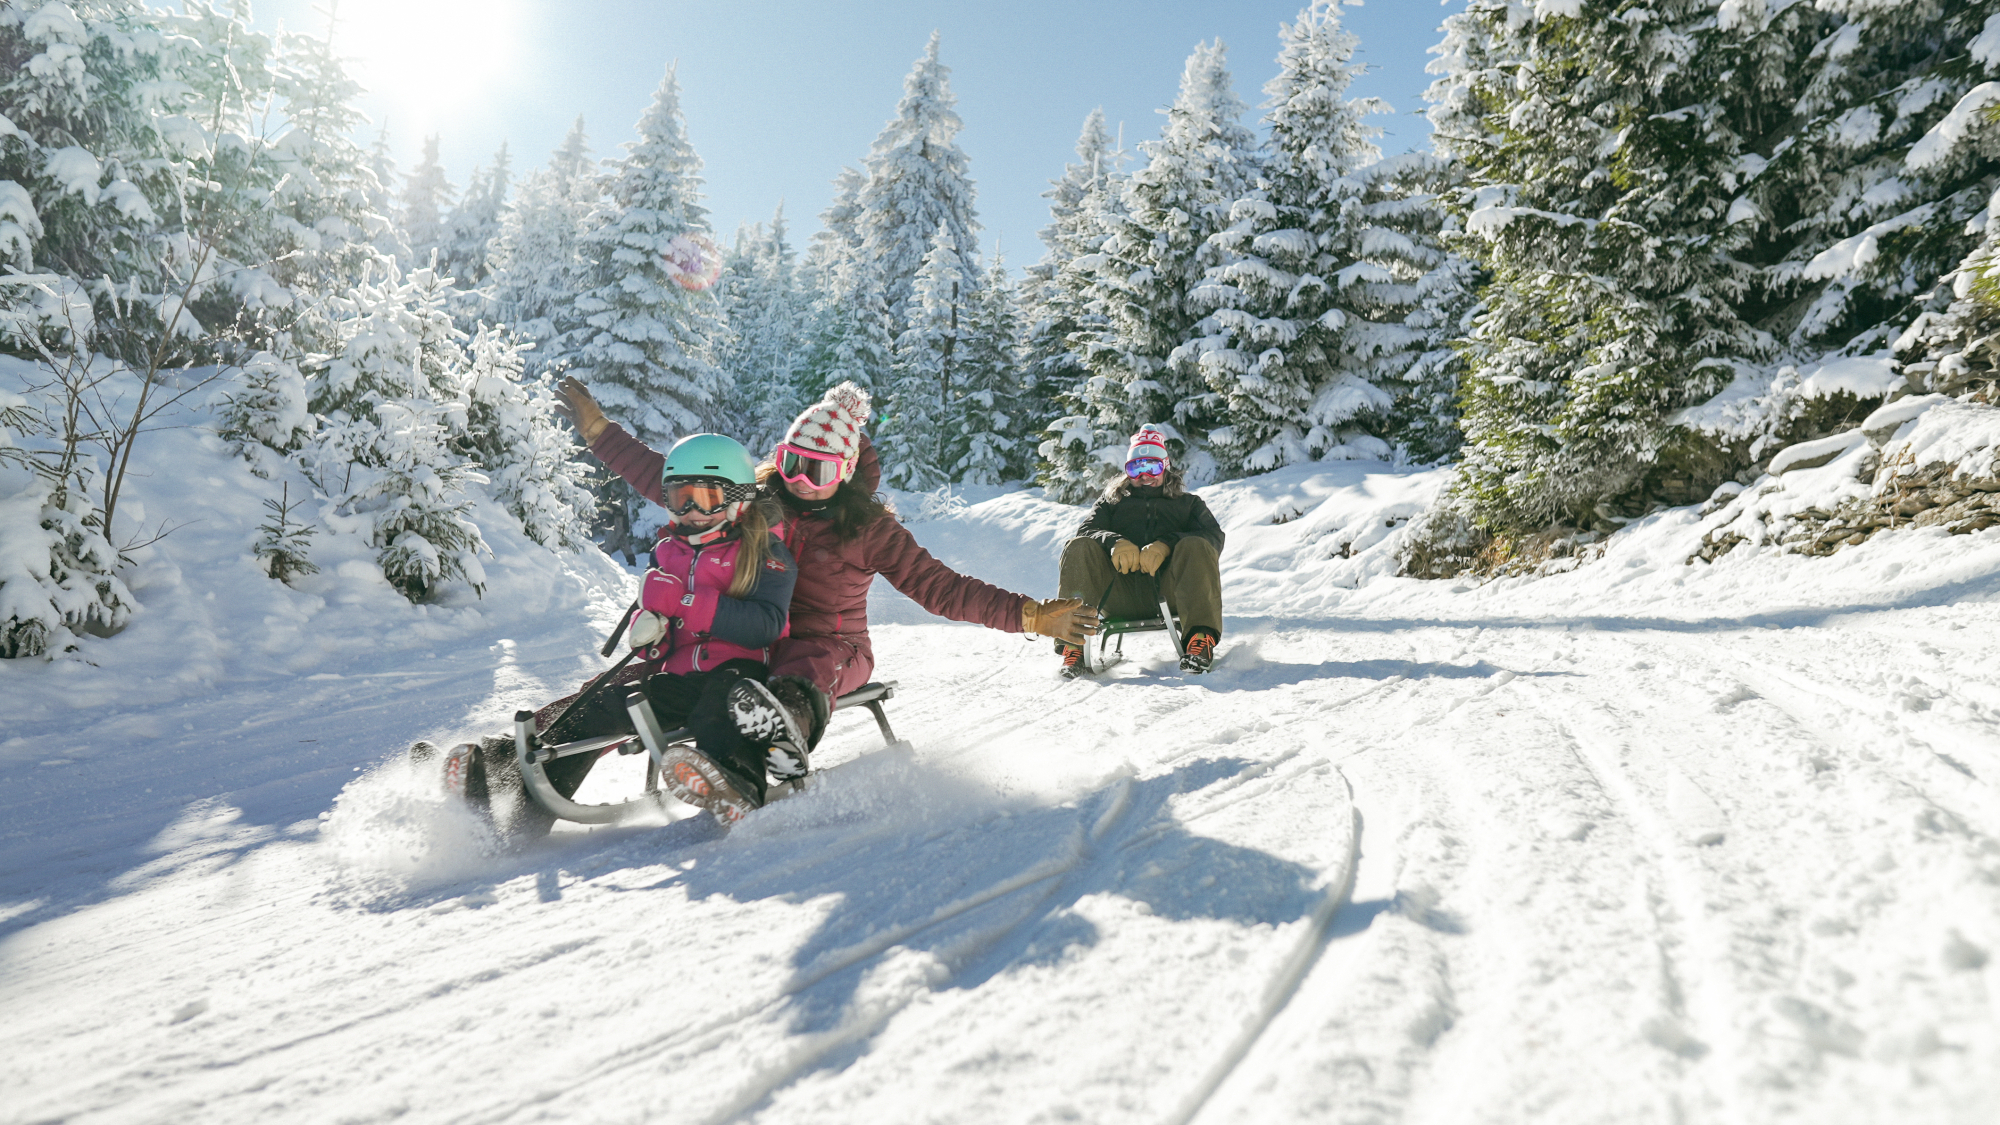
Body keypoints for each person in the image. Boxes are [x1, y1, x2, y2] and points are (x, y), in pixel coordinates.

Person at [557, 377, 1101, 768]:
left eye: (815, 471)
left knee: (803, 663)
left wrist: (1028, 614)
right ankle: (542, 745)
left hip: (831, 645)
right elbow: (675, 484)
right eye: (791, 462)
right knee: (655, 672)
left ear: (841, 473)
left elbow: (940, 588)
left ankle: (776, 739)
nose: (798, 480)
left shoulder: (868, 529)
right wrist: (602, 433)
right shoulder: (759, 499)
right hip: (751, 634)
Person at [422, 432, 799, 829]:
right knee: (599, 708)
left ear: (738, 498)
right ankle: (525, 812)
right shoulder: (671, 550)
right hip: (678, 678)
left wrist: (684, 602)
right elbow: (662, 616)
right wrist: (650, 629)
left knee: (722, 708)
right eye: (677, 497)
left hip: (739, 676)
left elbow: (766, 626)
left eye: (703, 499)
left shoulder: (766, 553)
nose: (688, 510)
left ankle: (735, 785)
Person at [1055, 425, 1225, 677]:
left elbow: (1214, 537)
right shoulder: (1111, 503)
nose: (1144, 475)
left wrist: (1167, 544)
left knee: (1197, 544)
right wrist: (1114, 542)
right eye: (1136, 468)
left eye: (1152, 467)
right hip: (1118, 594)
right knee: (1078, 546)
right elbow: (1086, 531)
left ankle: (1200, 640)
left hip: (1172, 592)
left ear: (1165, 467)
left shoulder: (1189, 505)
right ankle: (1074, 646)